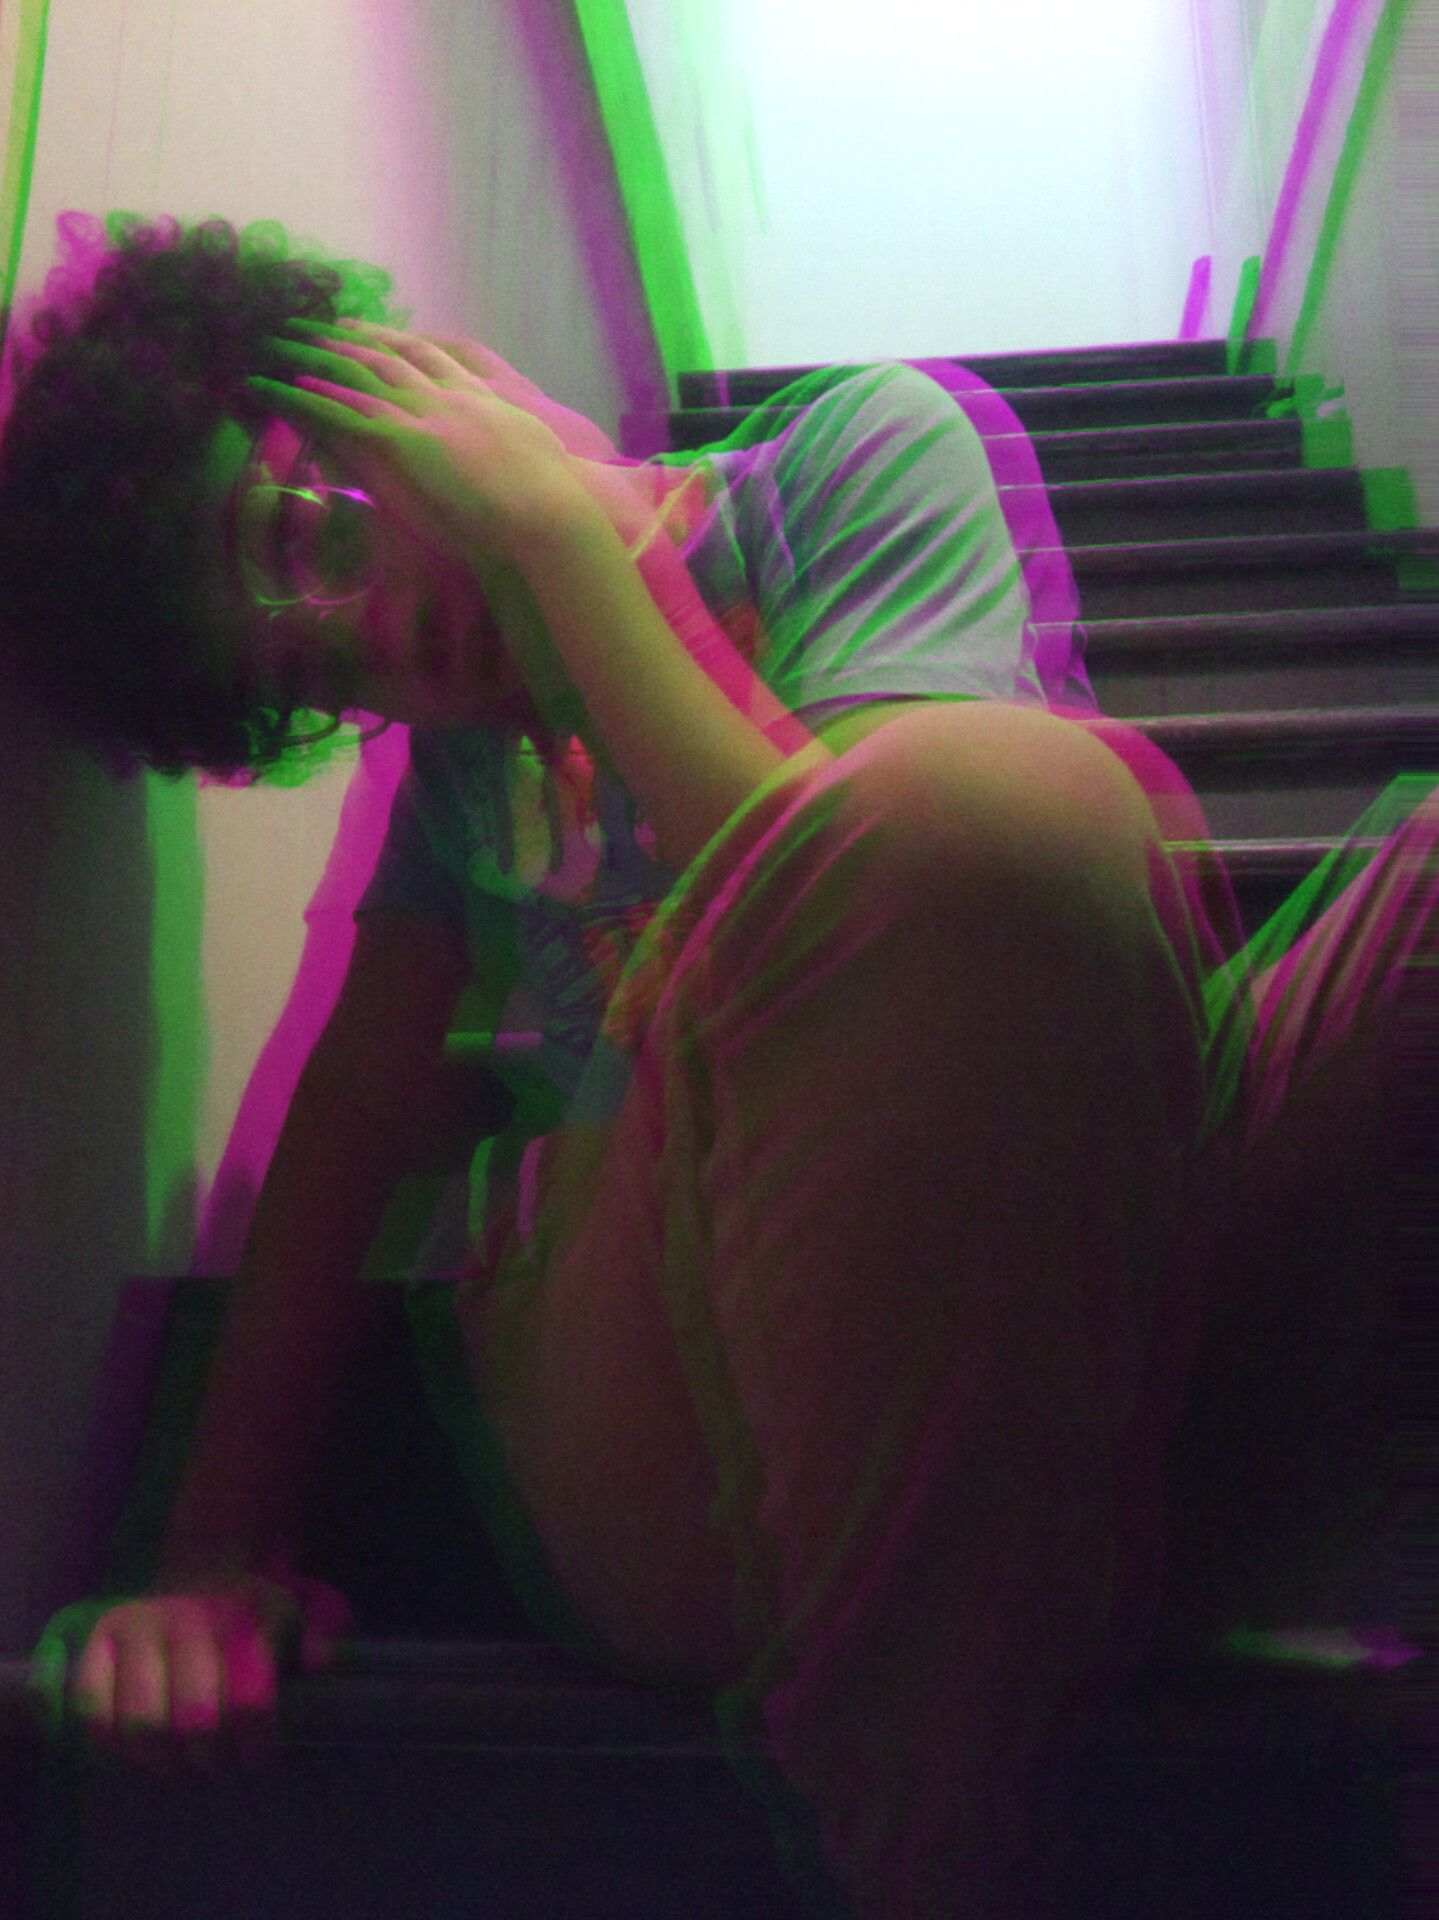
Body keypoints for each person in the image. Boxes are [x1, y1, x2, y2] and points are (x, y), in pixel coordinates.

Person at [8, 212, 1432, 1918]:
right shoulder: (455, 767)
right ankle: (933, 1852)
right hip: (710, 1421)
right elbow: (359, 1112)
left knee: (999, 826)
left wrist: (572, 550)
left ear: (408, 383)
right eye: (321, 672)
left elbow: (876, 916)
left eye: (313, 531)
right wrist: (210, 1550)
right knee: (986, 820)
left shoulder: (851, 466)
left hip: (1100, 1329)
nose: (380, 643)